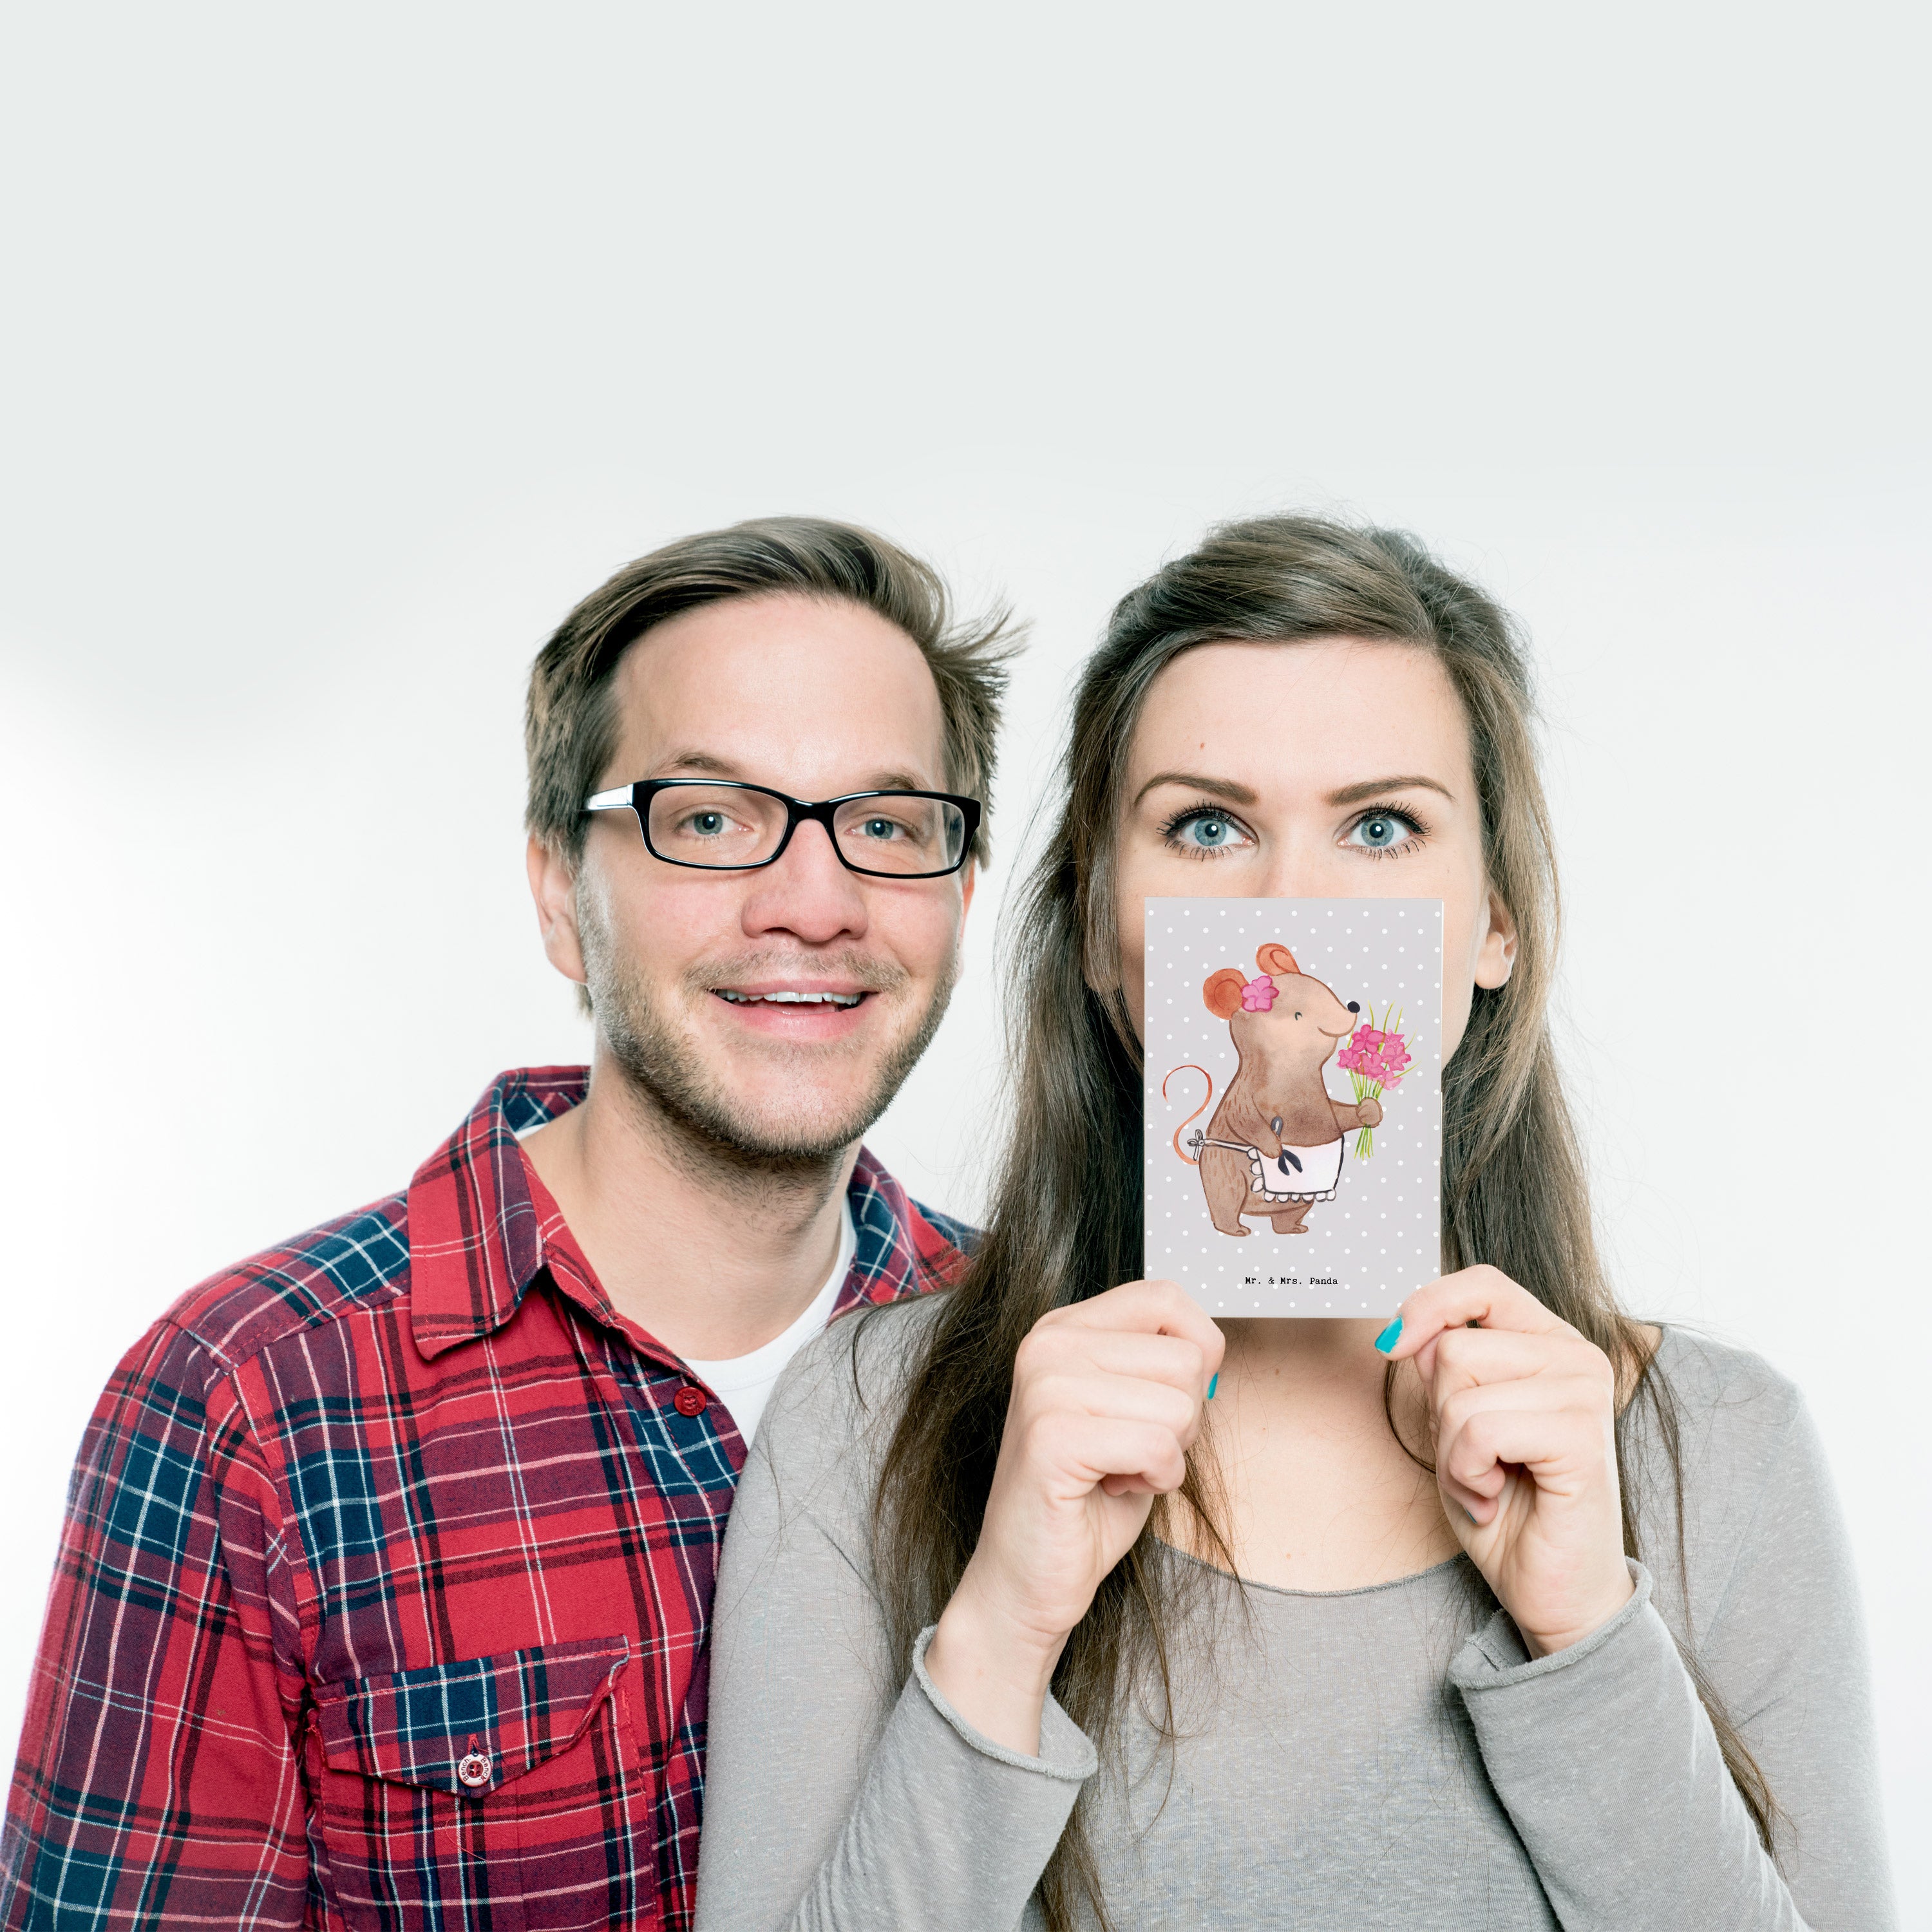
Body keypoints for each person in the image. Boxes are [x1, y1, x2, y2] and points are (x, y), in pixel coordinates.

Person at [694, 515, 1896, 1931]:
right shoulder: (867, 1421)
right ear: (1100, 927)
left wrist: (1586, 1632)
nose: (1294, 907)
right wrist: (1002, 1626)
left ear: (1494, 924)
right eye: (1207, 827)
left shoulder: (1722, 1451)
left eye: (1381, 827)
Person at [0, 517, 1013, 1931]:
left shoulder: (1030, 1347)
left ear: (960, 891)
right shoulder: (247, 1404)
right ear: (558, 895)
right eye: (710, 820)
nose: (816, 903)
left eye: (888, 828)